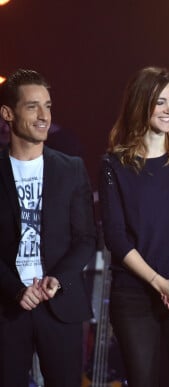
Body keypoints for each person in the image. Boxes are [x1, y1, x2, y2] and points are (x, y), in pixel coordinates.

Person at [98, 66, 169, 387]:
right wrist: (160, 284)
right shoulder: (114, 164)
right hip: (135, 295)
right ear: (140, 104)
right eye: (159, 102)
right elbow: (116, 239)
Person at [0, 69, 97, 386]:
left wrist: (58, 278)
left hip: (60, 306)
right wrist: (16, 290)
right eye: (32, 106)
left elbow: (85, 238)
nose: (44, 116)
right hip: (8, 308)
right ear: (7, 113)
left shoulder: (71, 168)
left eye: (48, 106)